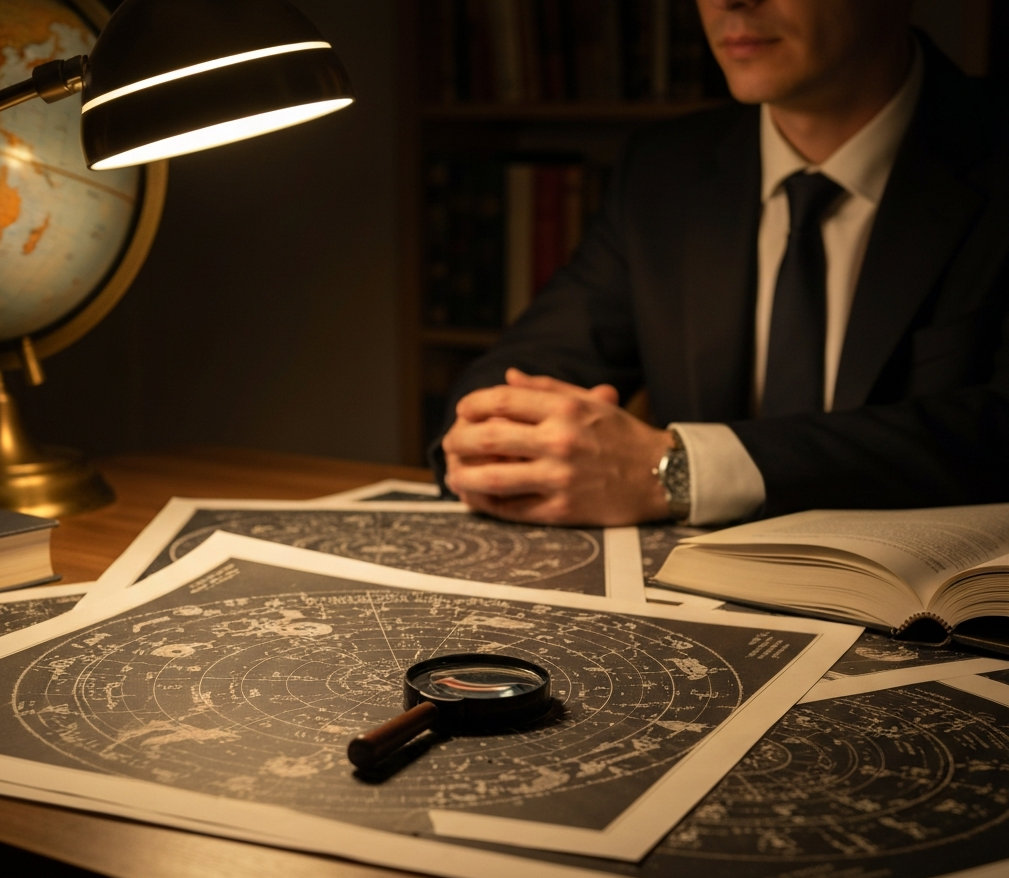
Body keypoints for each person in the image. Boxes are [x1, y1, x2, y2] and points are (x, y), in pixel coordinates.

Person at [432, 0, 1009, 527]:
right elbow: (518, 371)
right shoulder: (664, 170)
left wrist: (677, 470)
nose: (731, 2)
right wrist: (494, 443)